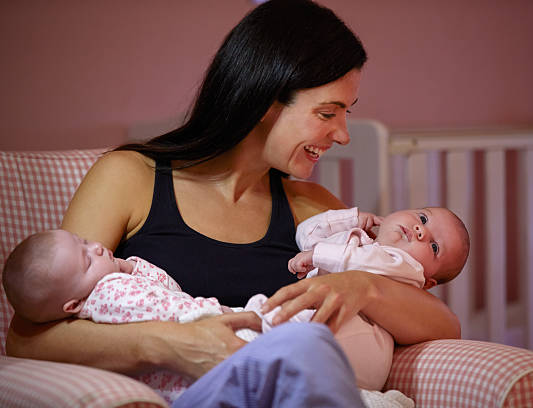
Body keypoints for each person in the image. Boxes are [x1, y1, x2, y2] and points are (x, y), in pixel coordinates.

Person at [6, 0, 460, 406]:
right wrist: (170, 344)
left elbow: (444, 326)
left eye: (347, 112)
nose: (342, 134)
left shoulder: (312, 209)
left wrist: (364, 286)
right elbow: (30, 340)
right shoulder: (131, 178)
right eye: (327, 112)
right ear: (265, 100)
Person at [3, 229, 414, 407]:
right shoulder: (108, 293)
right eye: (327, 112)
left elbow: (163, 287)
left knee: (306, 352)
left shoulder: (113, 280)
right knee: (305, 345)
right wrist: (229, 317)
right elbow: (176, 312)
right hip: (194, 385)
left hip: (223, 373)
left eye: (87, 242)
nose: (96, 247)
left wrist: (367, 283)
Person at [250, 206, 470, 390]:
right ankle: (254, 330)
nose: (421, 230)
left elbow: (364, 262)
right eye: (423, 218)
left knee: (295, 328)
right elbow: (306, 235)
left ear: (428, 282)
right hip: (332, 339)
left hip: (362, 347)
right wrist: (350, 219)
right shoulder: (359, 241)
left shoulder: (405, 267)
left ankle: (259, 337)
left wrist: (318, 255)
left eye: (434, 247)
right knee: (285, 321)